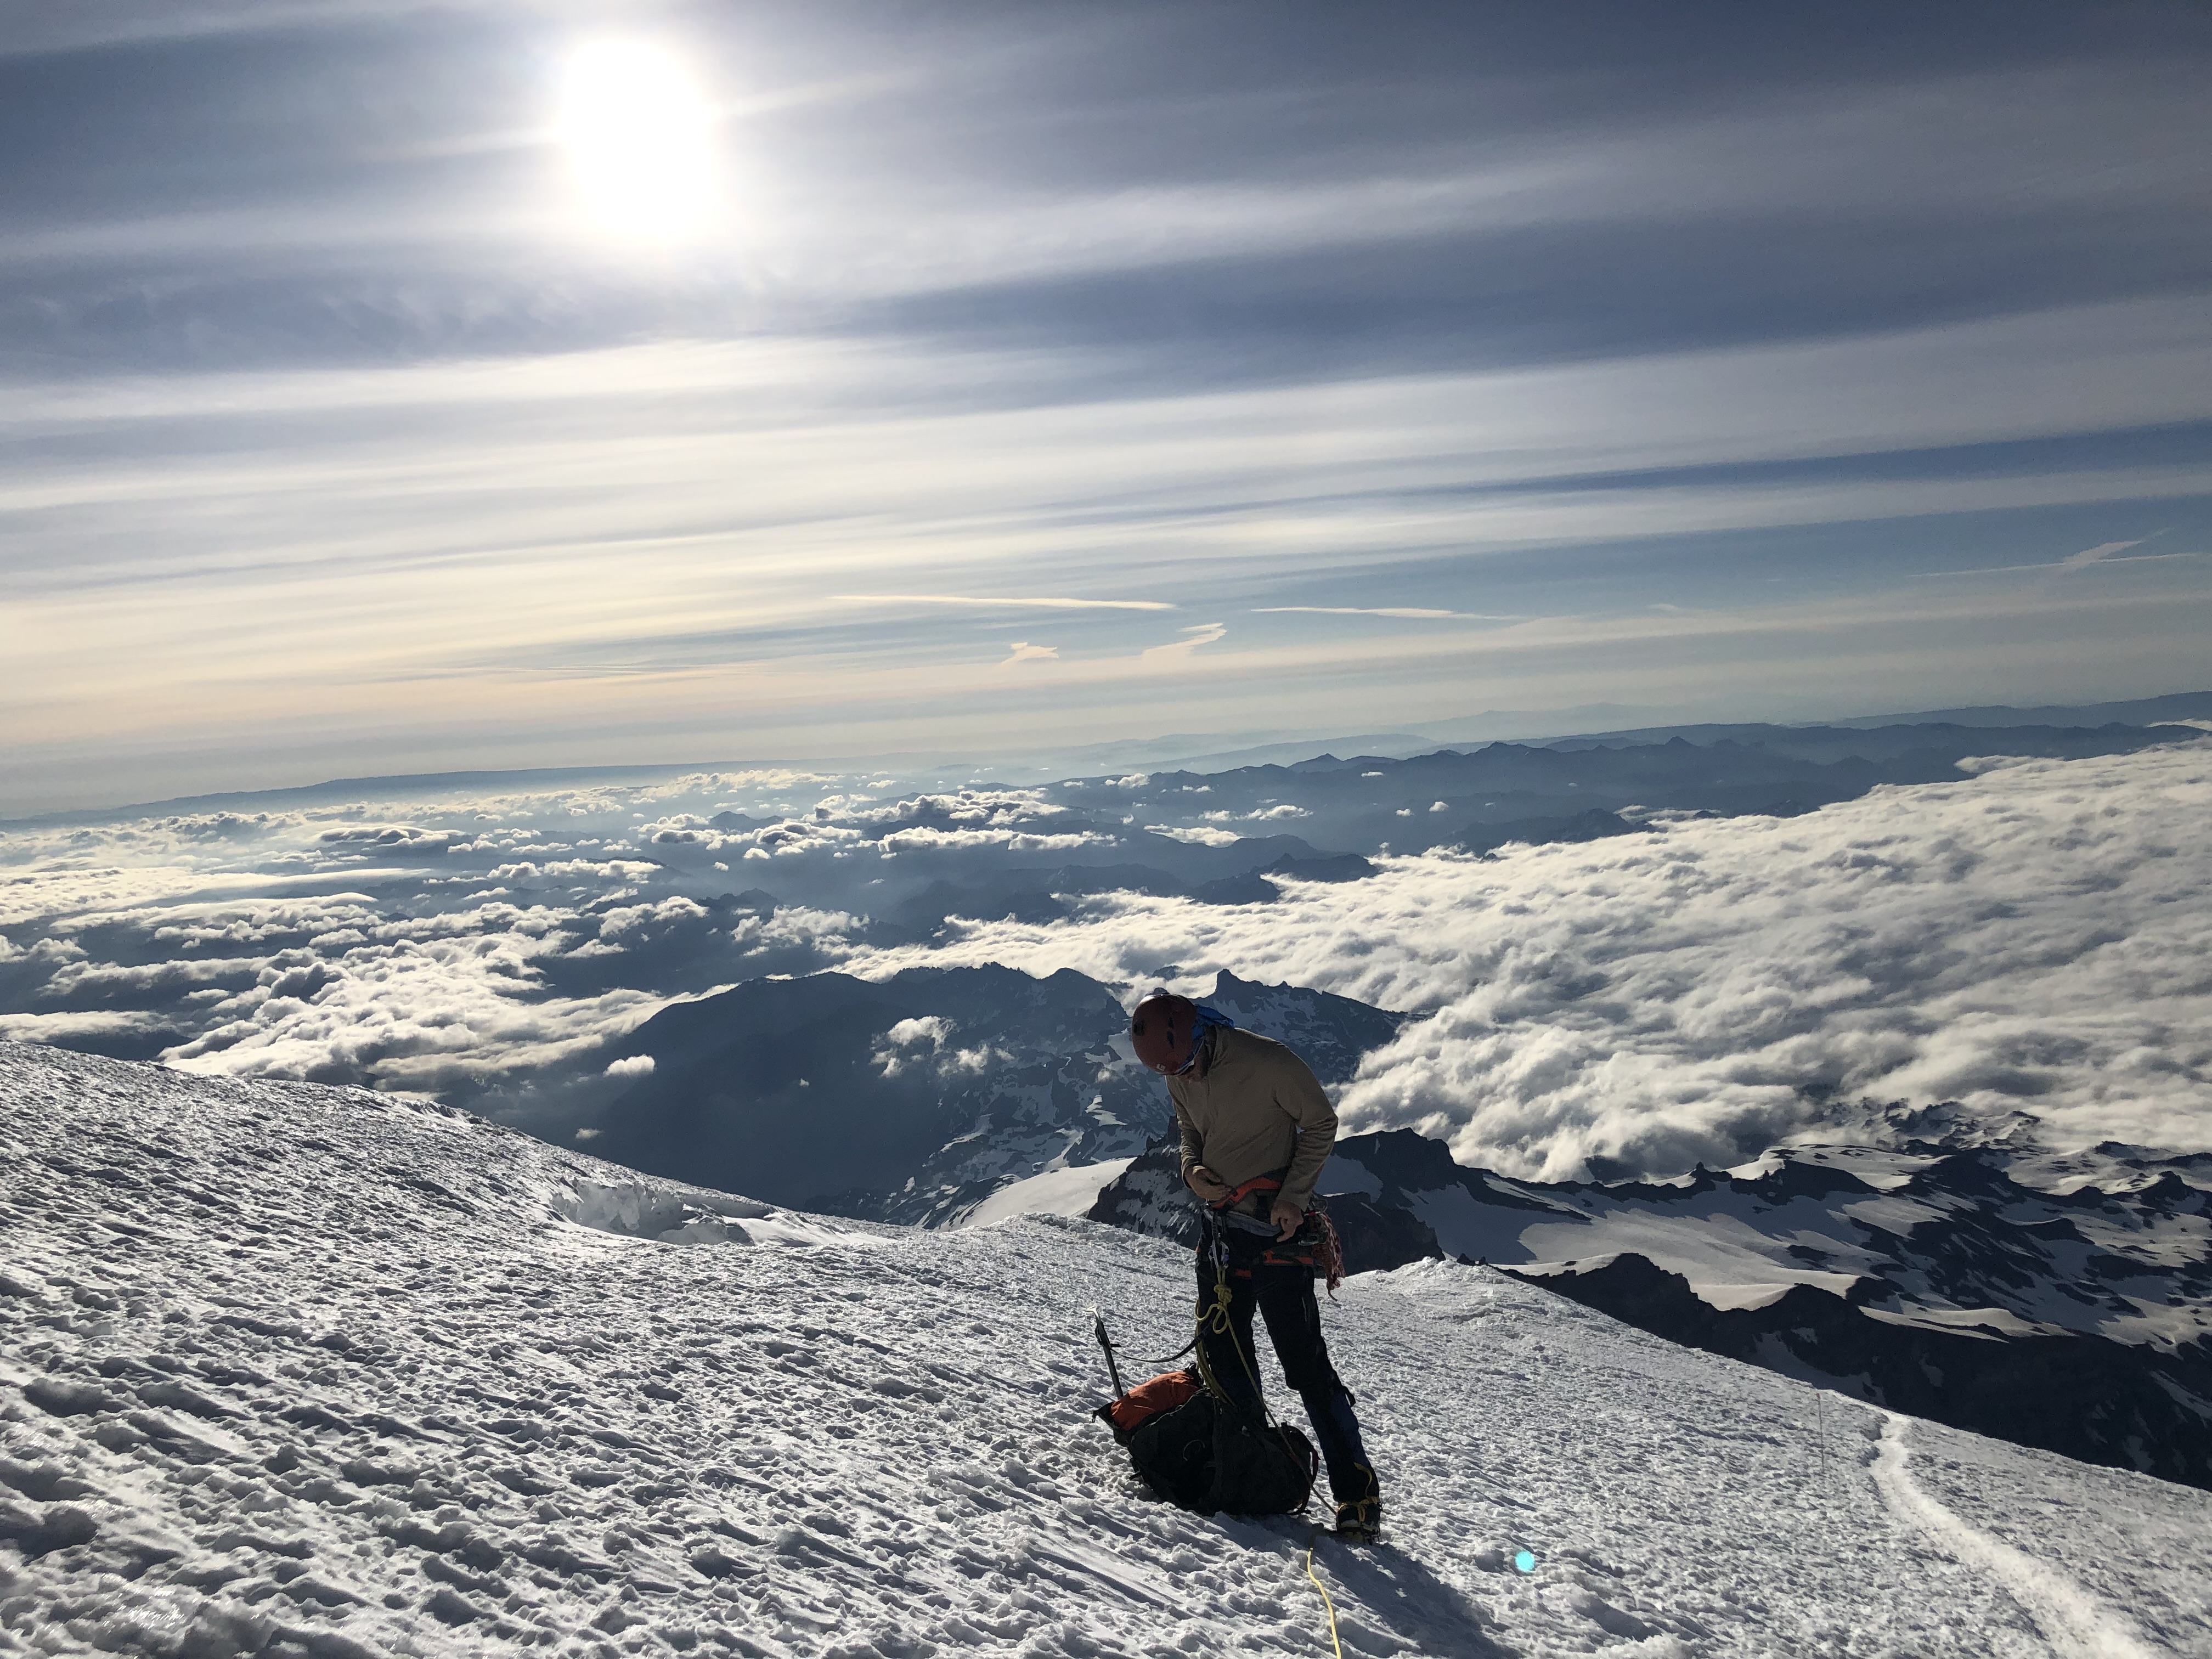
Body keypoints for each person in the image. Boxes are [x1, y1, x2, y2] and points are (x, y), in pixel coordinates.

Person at [1128, 989, 1383, 1539]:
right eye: (1176, 1074)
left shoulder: (1269, 1062)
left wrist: (1293, 1196)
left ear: (1202, 1034)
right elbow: (1190, 1134)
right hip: (1222, 1234)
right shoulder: (1178, 1070)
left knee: (1306, 1369)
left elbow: (1320, 1123)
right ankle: (1243, 1465)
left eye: (1190, 1066)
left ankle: (1357, 1495)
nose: (1187, 1079)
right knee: (1226, 1359)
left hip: (1277, 1237)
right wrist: (1192, 1170)